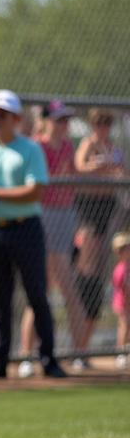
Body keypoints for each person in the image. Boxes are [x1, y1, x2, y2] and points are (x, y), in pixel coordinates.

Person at [0, 89, 66, 379]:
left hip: (26, 228)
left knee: (37, 295)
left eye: (2, 114)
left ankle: (48, 359)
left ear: (16, 118)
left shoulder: (30, 149)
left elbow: (35, 191)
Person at [17, 99, 88, 376]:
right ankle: (25, 356)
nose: (63, 125)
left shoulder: (68, 145)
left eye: (66, 120)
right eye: (58, 120)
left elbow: (74, 172)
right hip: (43, 215)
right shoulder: (37, 145)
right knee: (41, 289)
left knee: (66, 288)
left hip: (65, 214)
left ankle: (81, 354)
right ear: (46, 120)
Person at [74, 107, 126, 355]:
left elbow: (123, 170)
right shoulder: (89, 143)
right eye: (99, 123)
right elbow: (79, 166)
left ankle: (94, 294)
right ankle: (84, 287)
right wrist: (97, 166)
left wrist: (115, 168)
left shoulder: (113, 146)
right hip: (90, 207)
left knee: (102, 263)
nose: (103, 128)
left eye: (107, 123)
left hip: (108, 206)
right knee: (88, 266)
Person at [111, 231, 130, 370]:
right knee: (124, 326)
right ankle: (121, 353)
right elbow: (122, 288)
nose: (126, 251)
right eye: (122, 248)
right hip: (122, 303)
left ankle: (125, 350)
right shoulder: (120, 269)